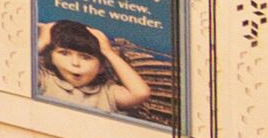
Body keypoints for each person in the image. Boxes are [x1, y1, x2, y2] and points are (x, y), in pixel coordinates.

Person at [35, 19, 172, 120]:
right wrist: (43, 41)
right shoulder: (45, 79)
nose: (75, 63)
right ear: (51, 57)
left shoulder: (107, 92)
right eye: (64, 53)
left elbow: (140, 93)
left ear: (101, 67)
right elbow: (16, 70)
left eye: (86, 57)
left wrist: (109, 52)